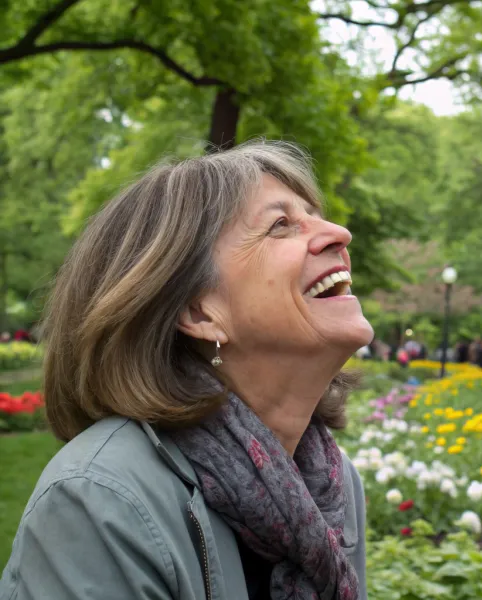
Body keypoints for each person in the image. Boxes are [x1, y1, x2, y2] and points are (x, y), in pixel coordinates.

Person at [0, 142, 373, 599]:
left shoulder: (331, 480)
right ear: (199, 312)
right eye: (281, 225)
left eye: (315, 214)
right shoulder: (100, 500)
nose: (339, 233)